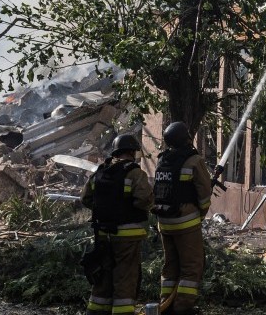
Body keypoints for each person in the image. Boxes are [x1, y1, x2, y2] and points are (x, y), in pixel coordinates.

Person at [81, 132, 153, 315]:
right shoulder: (135, 173)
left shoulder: (100, 172)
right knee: (125, 276)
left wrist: (105, 211)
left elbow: (86, 198)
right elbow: (143, 200)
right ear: (132, 151)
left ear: (115, 152)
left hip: (103, 233)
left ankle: (96, 311)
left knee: (103, 276)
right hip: (127, 236)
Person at [152, 121, 213, 314]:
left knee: (170, 266)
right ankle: (182, 307)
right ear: (186, 138)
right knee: (191, 266)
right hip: (186, 223)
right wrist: (200, 215)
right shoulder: (193, 160)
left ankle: (166, 305)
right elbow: (204, 194)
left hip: (164, 222)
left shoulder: (162, 159)